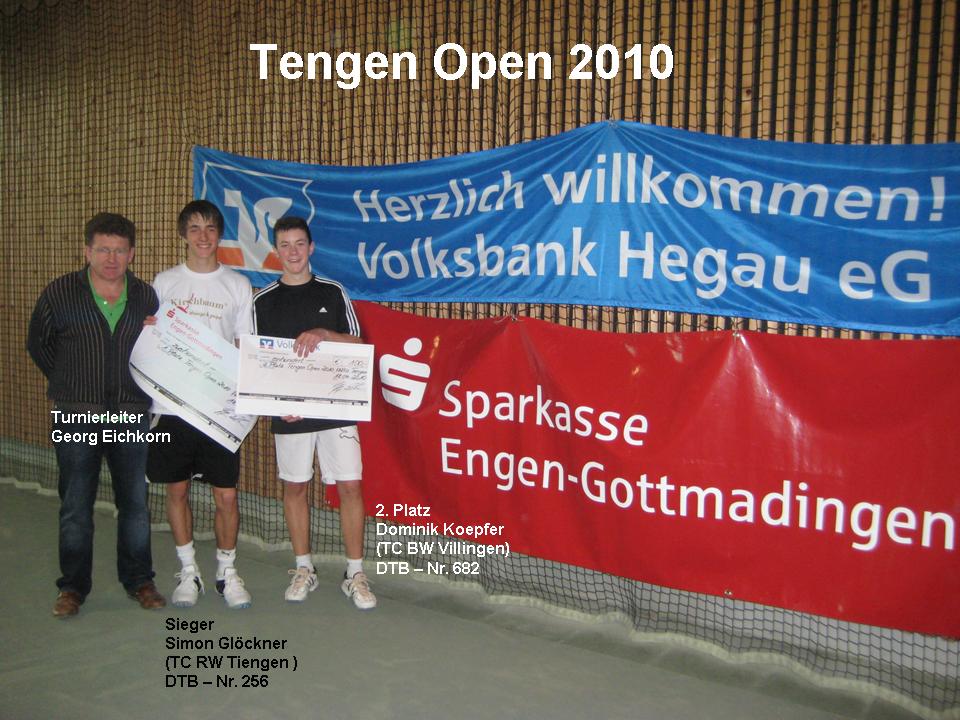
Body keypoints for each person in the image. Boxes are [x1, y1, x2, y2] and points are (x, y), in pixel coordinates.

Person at [27, 212, 166, 617]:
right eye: (103, 249)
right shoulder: (59, 293)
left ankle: (139, 580)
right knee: (75, 505)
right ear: (87, 251)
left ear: (132, 254)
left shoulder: (145, 296)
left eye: (119, 250)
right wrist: (72, 384)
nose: (111, 258)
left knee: (135, 504)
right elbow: (39, 344)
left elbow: (157, 348)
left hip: (130, 415)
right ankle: (72, 588)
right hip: (75, 415)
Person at [253, 216, 376, 609]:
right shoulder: (262, 301)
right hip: (290, 414)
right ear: (276, 250)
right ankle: (304, 567)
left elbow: (358, 344)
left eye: (299, 243)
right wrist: (278, 404)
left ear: (311, 247)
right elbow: (258, 361)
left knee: (351, 486)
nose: (292, 251)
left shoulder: (333, 292)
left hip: (337, 409)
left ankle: (354, 573)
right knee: (295, 487)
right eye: (284, 244)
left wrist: (325, 333)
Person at [147, 200, 253, 609]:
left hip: (218, 411)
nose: (203, 235)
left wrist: (243, 398)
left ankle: (227, 571)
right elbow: (152, 338)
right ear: (183, 234)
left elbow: (244, 346)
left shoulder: (238, 285)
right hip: (173, 407)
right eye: (194, 228)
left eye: (210, 227)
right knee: (177, 490)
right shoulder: (164, 282)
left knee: (226, 496)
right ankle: (188, 570)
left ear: (219, 233)